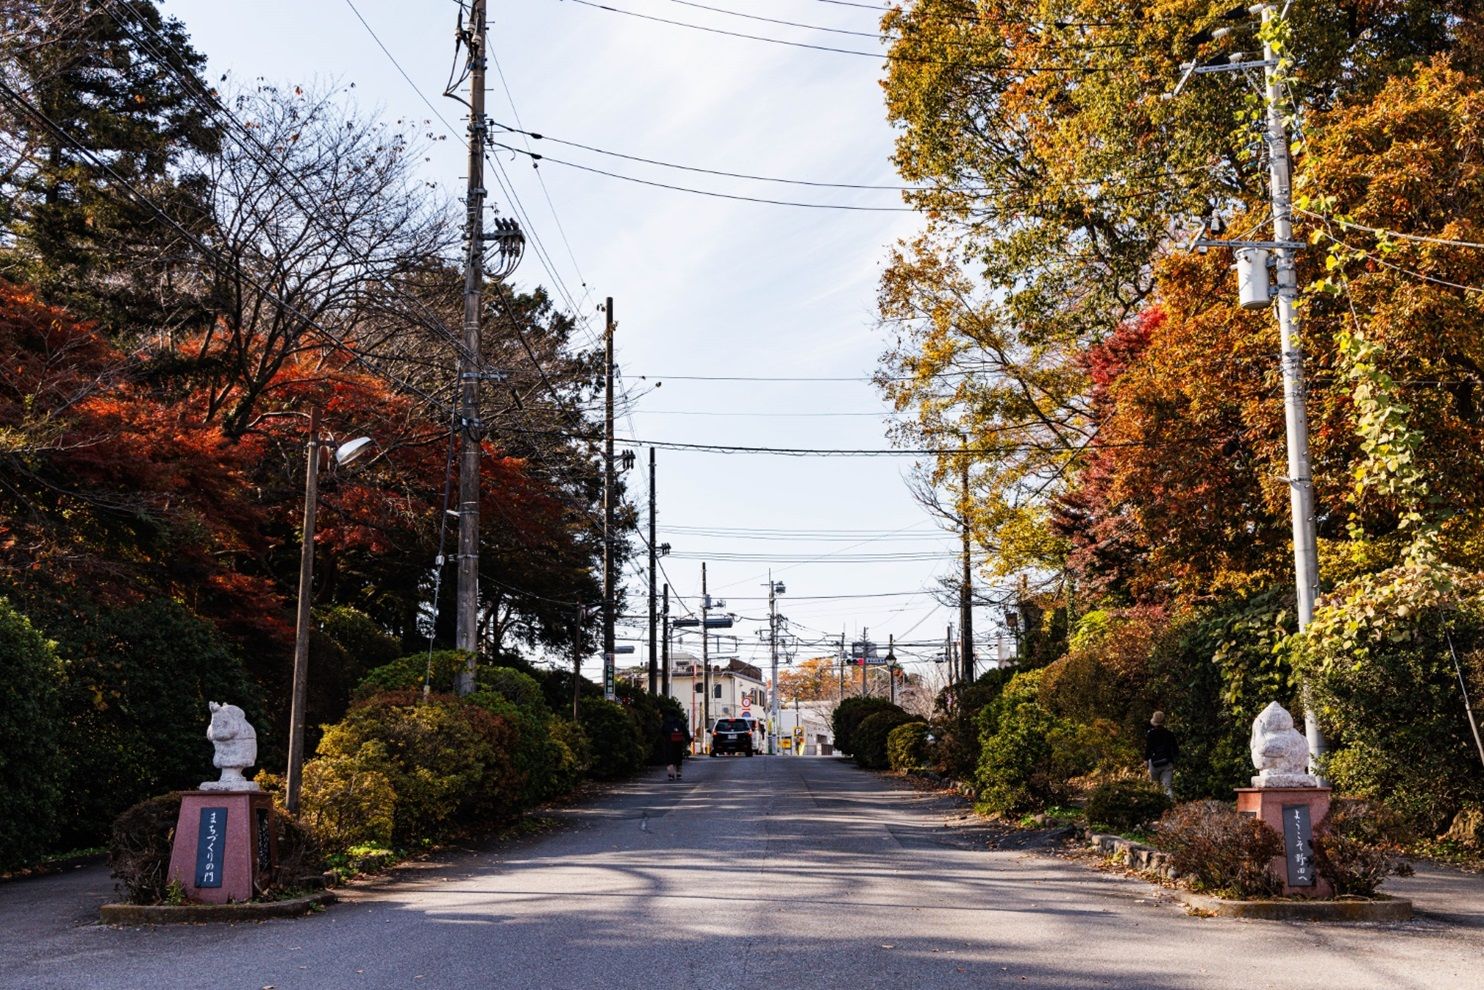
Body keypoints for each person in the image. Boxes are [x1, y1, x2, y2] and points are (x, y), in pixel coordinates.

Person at [1145, 711, 1178, 798]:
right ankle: (1171, 808)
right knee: (1167, 787)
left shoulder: (1150, 734)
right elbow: (1175, 749)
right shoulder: (1170, 734)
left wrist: (1146, 760)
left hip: (1154, 762)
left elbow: (1148, 749)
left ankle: (1156, 806)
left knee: (1154, 787)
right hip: (1167, 762)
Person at [661, 712, 691, 781]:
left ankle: (671, 775)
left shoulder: (666, 722)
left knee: (669, 759)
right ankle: (678, 774)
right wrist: (688, 740)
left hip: (669, 743)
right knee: (678, 758)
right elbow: (685, 732)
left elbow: (662, 731)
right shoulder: (679, 722)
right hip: (678, 743)